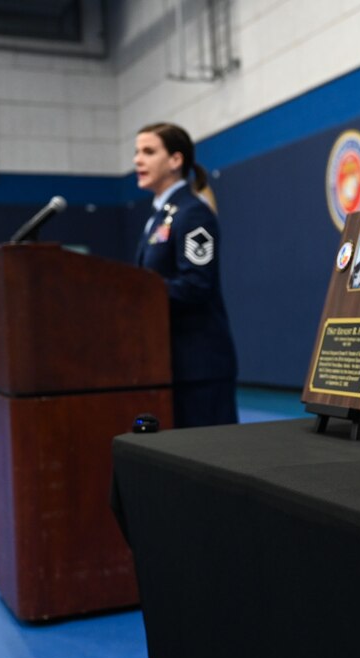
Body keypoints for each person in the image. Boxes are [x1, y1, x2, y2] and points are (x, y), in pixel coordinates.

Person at [133, 122, 238, 428]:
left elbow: (196, 285)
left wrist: (137, 294)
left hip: (199, 366)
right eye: (137, 152)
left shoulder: (193, 213)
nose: (138, 160)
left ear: (176, 160)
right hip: (170, 364)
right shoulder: (158, 218)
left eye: (149, 152)